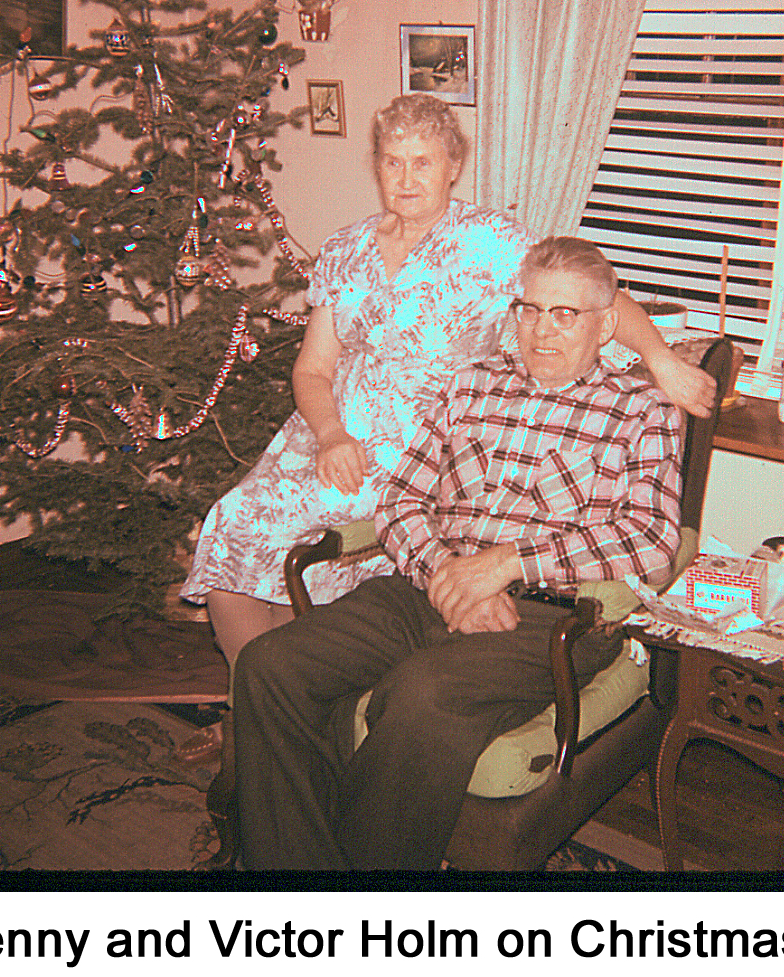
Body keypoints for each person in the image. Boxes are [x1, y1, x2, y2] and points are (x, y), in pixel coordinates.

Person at [177, 93, 710, 765]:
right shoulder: (343, 249)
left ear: (452, 165)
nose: (405, 177)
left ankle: (275, 727)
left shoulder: (491, 242)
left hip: (425, 445)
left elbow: (591, 293)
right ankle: (260, 712)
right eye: (392, 161)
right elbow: (312, 366)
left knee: (313, 557)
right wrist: (332, 433)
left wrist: (659, 357)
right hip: (332, 432)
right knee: (233, 524)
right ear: (375, 165)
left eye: (422, 161)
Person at [232, 236, 682, 869]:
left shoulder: (641, 411)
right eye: (528, 309)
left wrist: (507, 565)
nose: (541, 330)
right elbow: (400, 499)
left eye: (565, 314)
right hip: (426, 585)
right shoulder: (470, 385)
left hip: (550, 616)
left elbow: (652, 536)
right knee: (270, 662)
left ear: (606, 324)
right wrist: (444, 574)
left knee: (425, 693)